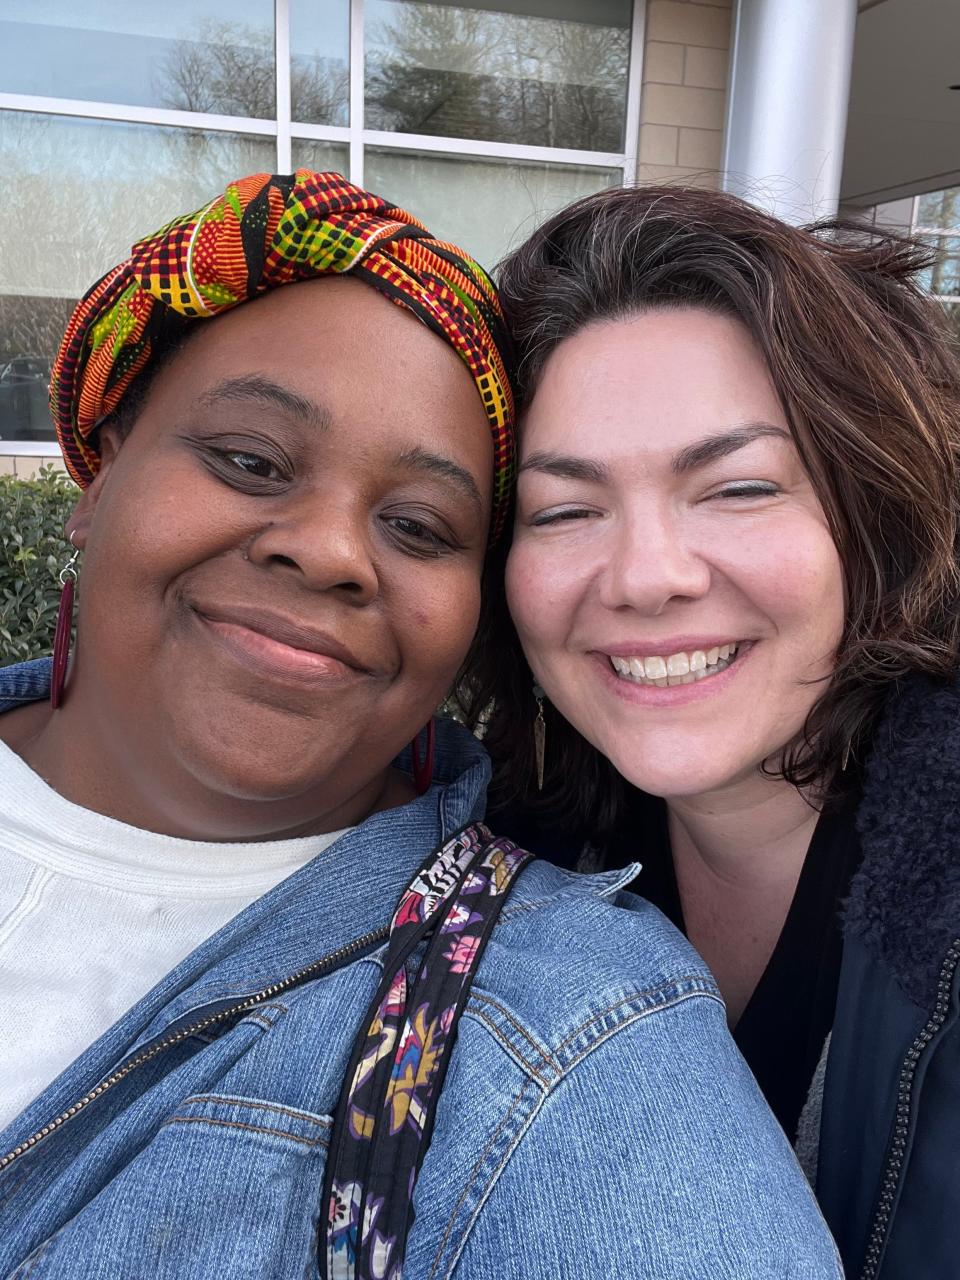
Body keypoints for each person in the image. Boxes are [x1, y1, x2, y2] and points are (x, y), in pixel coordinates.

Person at [0, 171, 840, 1278]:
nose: (335, 551)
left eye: (418, 523)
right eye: (250, 460)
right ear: (99, 474)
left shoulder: (568, 1032)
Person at [469, 183, 960, 1280]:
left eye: (736, 487)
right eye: (564, 509)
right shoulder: (494, 862)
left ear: (868, 511)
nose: (647, 577)